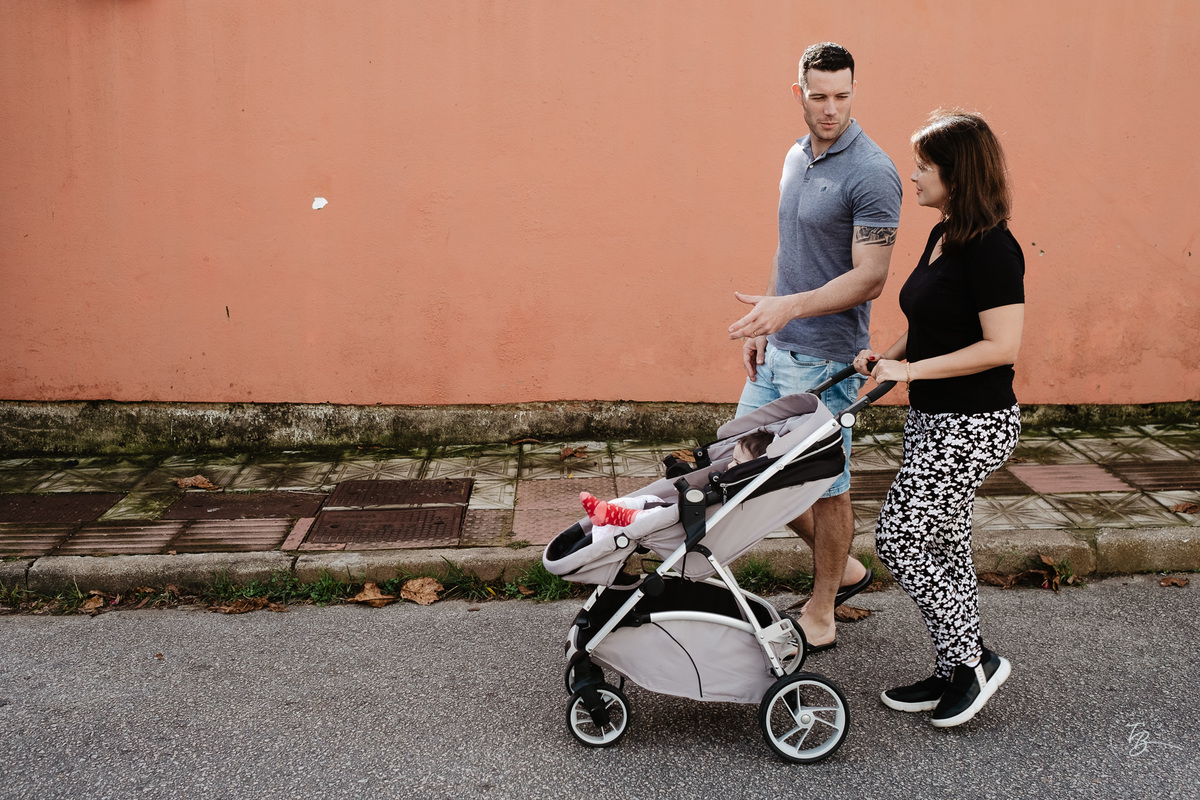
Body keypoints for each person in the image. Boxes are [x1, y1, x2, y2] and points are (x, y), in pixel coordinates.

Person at [727, 42, 902, 652]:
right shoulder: (796, 155)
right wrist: (767, 319)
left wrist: (791, 309)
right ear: (798, 93)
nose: (831, 109)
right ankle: (844, 569)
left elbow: (870, 277)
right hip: (779, 347)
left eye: (842, 96)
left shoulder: (873, 171)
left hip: (826, 359)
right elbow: (790, 246)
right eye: (820, 96)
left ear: (854, 93)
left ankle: (823, 607)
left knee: (827, 487)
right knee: (745, 470)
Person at [854, 109, 1024, 728]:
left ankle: (973, 662)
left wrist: (911, 372)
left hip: (976, 423)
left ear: (958, 173)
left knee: (901, 539)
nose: (914, 175)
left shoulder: (994, 249)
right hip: (935, 419)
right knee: (943, 544)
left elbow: (1001, 346)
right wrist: (886, 358)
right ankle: (957, 665)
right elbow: (927, 320)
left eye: (924, 166)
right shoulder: (944, 233)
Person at [578, 430, 773, 533]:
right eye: (732, 460)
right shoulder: (729, 480)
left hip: (690, 520)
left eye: (737, 463)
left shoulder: (739, 489)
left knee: (654, 514)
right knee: (648, 499)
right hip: (683, 508)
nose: (729, 465)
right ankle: (607, 510)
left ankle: (617, 515)